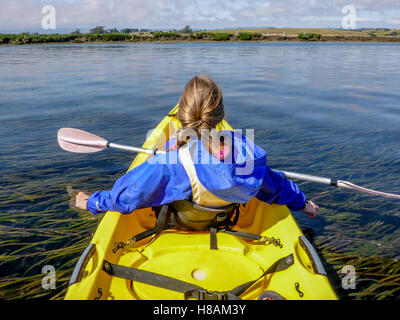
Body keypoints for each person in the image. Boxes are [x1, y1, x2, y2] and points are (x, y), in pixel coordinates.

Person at [74, 75, 319, 218]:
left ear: (183, 114)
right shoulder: (247, 154)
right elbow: (274, 185)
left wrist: (92, 202)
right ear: (220, 115)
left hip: (190, 220)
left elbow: (128, 196)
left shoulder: (169, 164)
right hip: (225, 218)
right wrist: (302, 203)